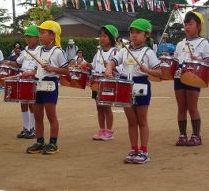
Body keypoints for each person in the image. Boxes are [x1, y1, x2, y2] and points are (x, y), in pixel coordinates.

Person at [105, 18, 162, 164]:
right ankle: (134, 149)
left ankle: (144, 151)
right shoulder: (124, 51)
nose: (134, 35)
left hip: (141, 85)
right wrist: (109, 68)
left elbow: (159, 73)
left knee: (142, 120)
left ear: (146, 35)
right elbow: (112, 61)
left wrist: (147, 70)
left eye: (138, 32)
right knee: (131, 121)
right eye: (132, 32)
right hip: (125, 85)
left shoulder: (148, 52)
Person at [26, 20, 69, 154]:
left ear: (52, 35)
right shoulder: (38, 50)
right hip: (39, 85)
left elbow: (66, 70)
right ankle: (39, 141)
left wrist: (52, 68)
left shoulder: (58, 52)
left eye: (43, 32)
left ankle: (53, 143)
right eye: (40, 33)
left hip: (51, 85)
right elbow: (36, 69)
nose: (40, 35)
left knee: (51, 116)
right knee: (38, 115)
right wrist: (29, 73)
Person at [173, 11, 209, 146]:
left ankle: (196, 135)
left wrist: (199, 59)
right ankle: (182, 135)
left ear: (198, 26)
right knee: (181, 107)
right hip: (179, 75)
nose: (187, 27)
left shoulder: (203, 42)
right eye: (185, 24)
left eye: (190, 24)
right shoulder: (180, 44)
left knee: (192, 106)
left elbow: (207, 60)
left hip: (194, 75)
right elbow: (176, 60)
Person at [84, 25, 119, 141]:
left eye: (105, 36)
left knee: (107, 107)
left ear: (112, 38)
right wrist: (86, 64)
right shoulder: (98, 52)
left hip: (108, 83)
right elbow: (94, 65)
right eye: (100, 36)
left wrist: (111, 68)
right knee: (99, 107)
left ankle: (109, 131)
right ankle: (101, 129)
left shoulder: (115, 52)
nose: (102, 38)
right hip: (96, 82)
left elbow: (120, 70)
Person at [15, 25, 40, 139]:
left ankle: (33, 129)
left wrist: (31, 73)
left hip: (33, 80)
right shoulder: (25, 50)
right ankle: (26, 128)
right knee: (23, 103)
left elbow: (41, 68)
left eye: (30, 37)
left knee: (32, 104)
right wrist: (8, 63)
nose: (28, 39)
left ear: (37, 38)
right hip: (23, 78)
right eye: (26, 37)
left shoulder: (40, 50)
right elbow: (18, 62)